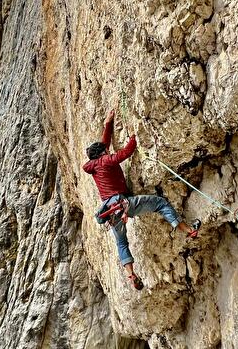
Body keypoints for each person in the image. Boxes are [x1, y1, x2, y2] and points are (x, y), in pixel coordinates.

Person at [83, 110, 201, 290]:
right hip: (123, 204)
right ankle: (189, 229)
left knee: (121, 242)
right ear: (103, 152)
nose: (107, 148)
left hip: (110, 212)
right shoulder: (107, 160)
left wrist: (108, 124)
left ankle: (131, 273)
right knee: (160, 204)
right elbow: (125, 153)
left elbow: (103, 146)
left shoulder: (93, 166)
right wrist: (134, 137)